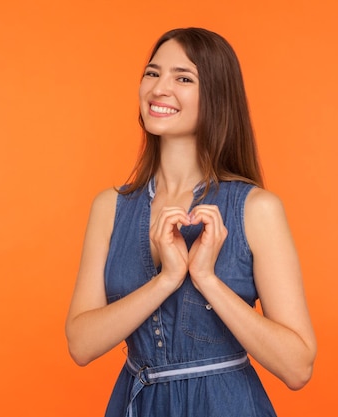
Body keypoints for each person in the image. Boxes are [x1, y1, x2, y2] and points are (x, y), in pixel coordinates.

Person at [65, 27, 317, 417]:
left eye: (183, 78)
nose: (159, 88)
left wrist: (207, 280)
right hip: (137, 403)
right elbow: (81, 345)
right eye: (153, 73)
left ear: (217, 97)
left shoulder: (256, 209)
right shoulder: (110, 207)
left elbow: (297, 367)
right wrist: (166, 279)